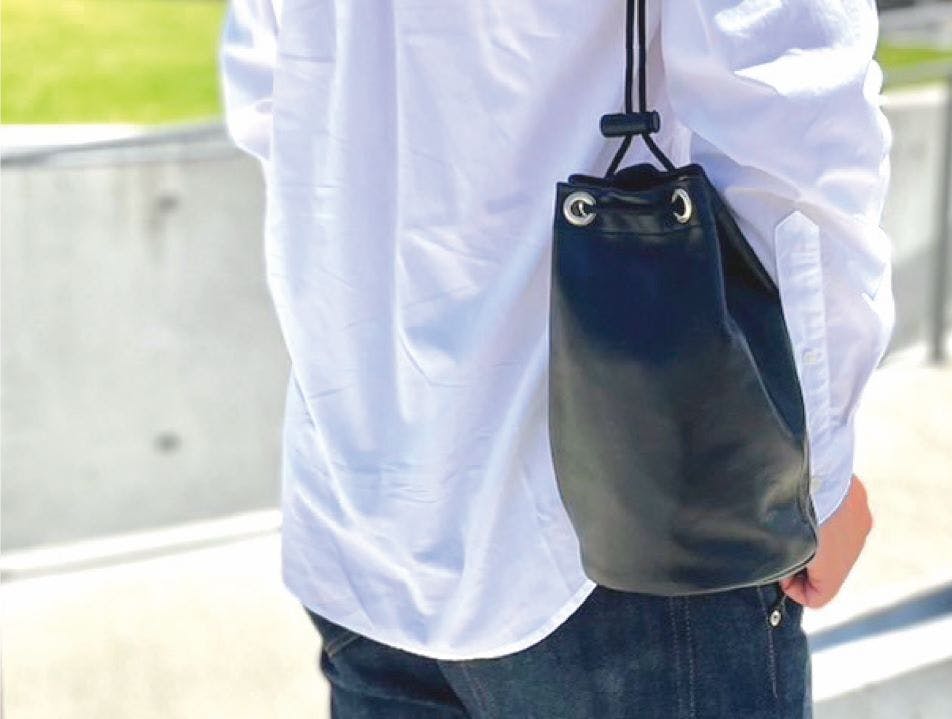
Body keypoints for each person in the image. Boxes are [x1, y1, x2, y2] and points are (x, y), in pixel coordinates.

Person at [219, 0, 892, 716]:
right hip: (633, 519)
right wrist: (815, 478)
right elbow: (790, 111)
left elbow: (271, 97)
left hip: (363, 511)